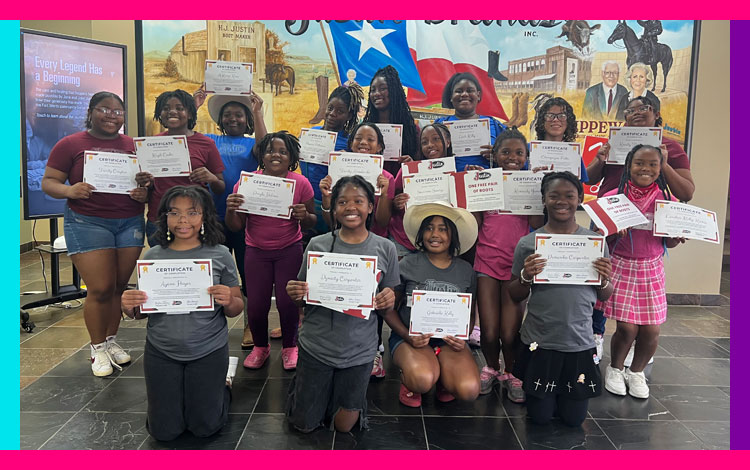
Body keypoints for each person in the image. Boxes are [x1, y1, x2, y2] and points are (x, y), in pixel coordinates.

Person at [121, 186, 244, 441]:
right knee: (164, 432)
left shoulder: (220, 254)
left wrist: (228, 299)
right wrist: (129, 307)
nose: (183, 220)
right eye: (174, 213)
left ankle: (223, 387)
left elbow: (236, 309)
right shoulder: (153, 255)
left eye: (192, 212)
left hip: (208, 349)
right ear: (164, 217)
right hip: (162, 350)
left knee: (205, 428)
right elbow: (142, 312)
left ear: (205, 217)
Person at [42, 91, 147, 377]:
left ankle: (112, 341)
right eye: (105, 110)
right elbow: (49, 182)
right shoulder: (71, 144)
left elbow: (145, 181)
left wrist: (143, 191)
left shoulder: (133, 145)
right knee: (99, 288)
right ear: (91, 111)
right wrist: (69, 190)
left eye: (118, 111)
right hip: (88, 222)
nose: (112, 116)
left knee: (117, 286)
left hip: (130, 221)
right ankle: (97, 347)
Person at [286, 176, 399, 433]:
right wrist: (294, 291)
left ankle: (339, 398)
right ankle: (307, 392)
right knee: (304, 425)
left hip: (359, 349)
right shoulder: (318, 244)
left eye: (358, 201)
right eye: (342, 202)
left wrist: (389, 298)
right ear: (334, 208)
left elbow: (390, 295)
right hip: (317, 345)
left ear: (371, 206)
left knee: (344, 427)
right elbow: (302, 295)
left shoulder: (385, 248)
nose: (351, 207)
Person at [586, 95, 694, 360]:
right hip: (610, 216)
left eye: (642, 108)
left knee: (638, 297)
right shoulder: (615, 142)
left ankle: (636, 346)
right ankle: (596, 337)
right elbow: (588, 180)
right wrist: (601, 158)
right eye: (630, 110)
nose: (635, 113)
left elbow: (687, 191)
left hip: (648, 223)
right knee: (599, 278)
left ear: (656, 113)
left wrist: (665, 163)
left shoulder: (671, 147)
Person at [509, 172, 613, 426]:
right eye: (554, 195)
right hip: (540, 341)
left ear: (579, 200)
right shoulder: (529, 243)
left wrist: (605, 280)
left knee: (574, 420)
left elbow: (604, 295)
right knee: (540, 417)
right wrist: (525, 276)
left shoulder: (595, 242)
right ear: (544, 199)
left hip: (578, 341)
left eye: (569, 196)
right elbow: (514, 294)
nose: (561, 201)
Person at [599, 145, 685, 399]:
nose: (645, 169)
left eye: (652, 164)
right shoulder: (615, 197)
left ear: (660, 169)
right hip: (622, 265)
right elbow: (600, 237)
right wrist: (614, 231)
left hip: (651, 268)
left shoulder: (667, 202)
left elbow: (667, 242)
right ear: (628, 166)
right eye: (638, 163)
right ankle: (615, 369)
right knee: (627, 328)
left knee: (651, 330)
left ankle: (635, 372)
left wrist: (675, 237)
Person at [225, 131, 316, 371]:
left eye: (283, 151)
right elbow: (236, 226)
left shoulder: (300, 182)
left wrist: (304, 215)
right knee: (256, 305)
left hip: (289, 249)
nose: (276, 155)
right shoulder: (247, 182)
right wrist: (231, 209)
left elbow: (311, 221)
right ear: (261, 155)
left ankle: (290, 347)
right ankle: (260, 347)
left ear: (291, 157)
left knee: (288, 303)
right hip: (256, 251)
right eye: (270, 150)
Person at [472, 127, 544, 403]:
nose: (512, 157)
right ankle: (491, 367)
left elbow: (537, 224)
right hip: (487, 262)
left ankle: (513, 372)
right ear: (495, 154)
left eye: (518, 153)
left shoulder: (529, 183)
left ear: (526, 156)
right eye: (505, 151)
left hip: (517, 266)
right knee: (489, 331)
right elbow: (475, 223)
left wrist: (535, 190)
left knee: (509, 332)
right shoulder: (487, 181)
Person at [384, 202, 480, 407]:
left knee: (469, 390)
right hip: (411, 339)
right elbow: (388, 309)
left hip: (448, 343)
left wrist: (464, 336)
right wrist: (406, 335)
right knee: (422, 380)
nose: (434, 234)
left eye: (442, 229)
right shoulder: (406, 265)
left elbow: (469, 312)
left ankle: (446, 377)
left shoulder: (466, 270)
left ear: (453, 235)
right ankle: (410, 381)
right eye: (429, 228)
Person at [194, 86, 268, 349]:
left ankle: (252, 325)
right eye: (228, 115)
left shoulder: (253, 144)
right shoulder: (209, 139)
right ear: (220, 120)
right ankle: (211, 325)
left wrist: (258, 113)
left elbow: (265, 150)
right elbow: (186, 137)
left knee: (250, 276)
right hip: (213, 216)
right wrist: (195, 104)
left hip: (246, 218)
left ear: (247, 120)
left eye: (239, 115)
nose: (233, 119)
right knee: (214, 272)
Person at [319, 122, 395, 378]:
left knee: (375, 300)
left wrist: (383, 193)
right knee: (347, 297)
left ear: (380, 147)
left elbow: (383, 221)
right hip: (343, 248)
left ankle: (373, 349)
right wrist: (327, 198)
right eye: (358, 138)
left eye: (370, 139)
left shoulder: (387, 178)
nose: (363, 143)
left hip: (375, 249)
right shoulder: (336, 176)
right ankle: (341, 346)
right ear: (350, 145)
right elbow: (331, 223)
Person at [139, 90, 225, 247]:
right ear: (160, 113)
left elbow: (220, 187)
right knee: (162, 268)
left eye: (180, 108)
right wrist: (146, 182)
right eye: (166, 108)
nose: (172, 111)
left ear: (190, 114)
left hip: (196, 220)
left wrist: (211, 178)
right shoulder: (150, 144)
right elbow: (147, 189)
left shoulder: (206, 144)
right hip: (160, 219)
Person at [298, 84, 364, 240]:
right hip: (307, 202)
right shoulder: (310, 134)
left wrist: (347, 159)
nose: (332, 114)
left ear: (349, 115)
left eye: (340, 111)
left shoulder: (350, 142)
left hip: (333, 206)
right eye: (330, 108)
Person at [389, 122, 454, 256]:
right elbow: (389, 200)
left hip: (437, 242)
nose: (430, 145)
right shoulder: (409, 169)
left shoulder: (456, 173)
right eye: (424, 142)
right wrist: (395, 203)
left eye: (436, 139)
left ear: (447, 142)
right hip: (403, 239)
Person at [435, 72, 506, 171]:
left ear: (478, 95)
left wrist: (499, 154)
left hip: (486, 183)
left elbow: (518, 150)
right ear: (451, 97)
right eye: (459, 91)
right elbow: (424, 154)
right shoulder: (439, 125)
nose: (464, 94)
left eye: (470, 90)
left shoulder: (494, 124)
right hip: (450, 183)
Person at [362, 65, 420, 175]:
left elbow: (420, 164)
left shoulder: (411, 130)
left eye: (383, 88)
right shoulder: (364, 129)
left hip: (400, 189)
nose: (377, 93)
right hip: (370, 187)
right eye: (373, 90)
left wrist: (412, 164)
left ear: (394, 91)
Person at [533, 97, 590, 183]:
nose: (555, 120)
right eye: (550, 116)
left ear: (568, 122)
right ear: (542, 121)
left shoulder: (574, 154)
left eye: (562, 116)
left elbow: (579, 191)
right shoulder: (528, 150)